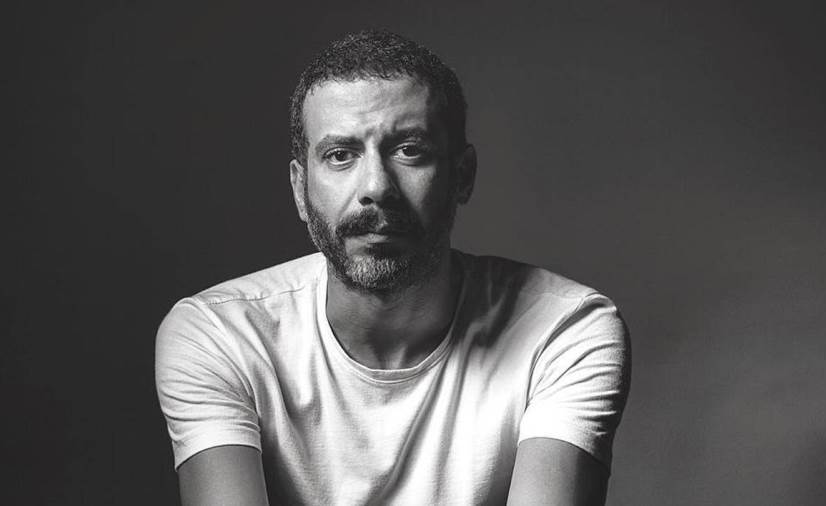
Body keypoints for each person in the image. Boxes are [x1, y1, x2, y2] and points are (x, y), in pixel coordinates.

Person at [156, 29, 631, 505]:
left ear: (462, 176)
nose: (376, 187)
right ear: (300, 190)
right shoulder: (220, 335)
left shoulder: (564, 331)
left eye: (409, 150)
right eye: (340, 156)